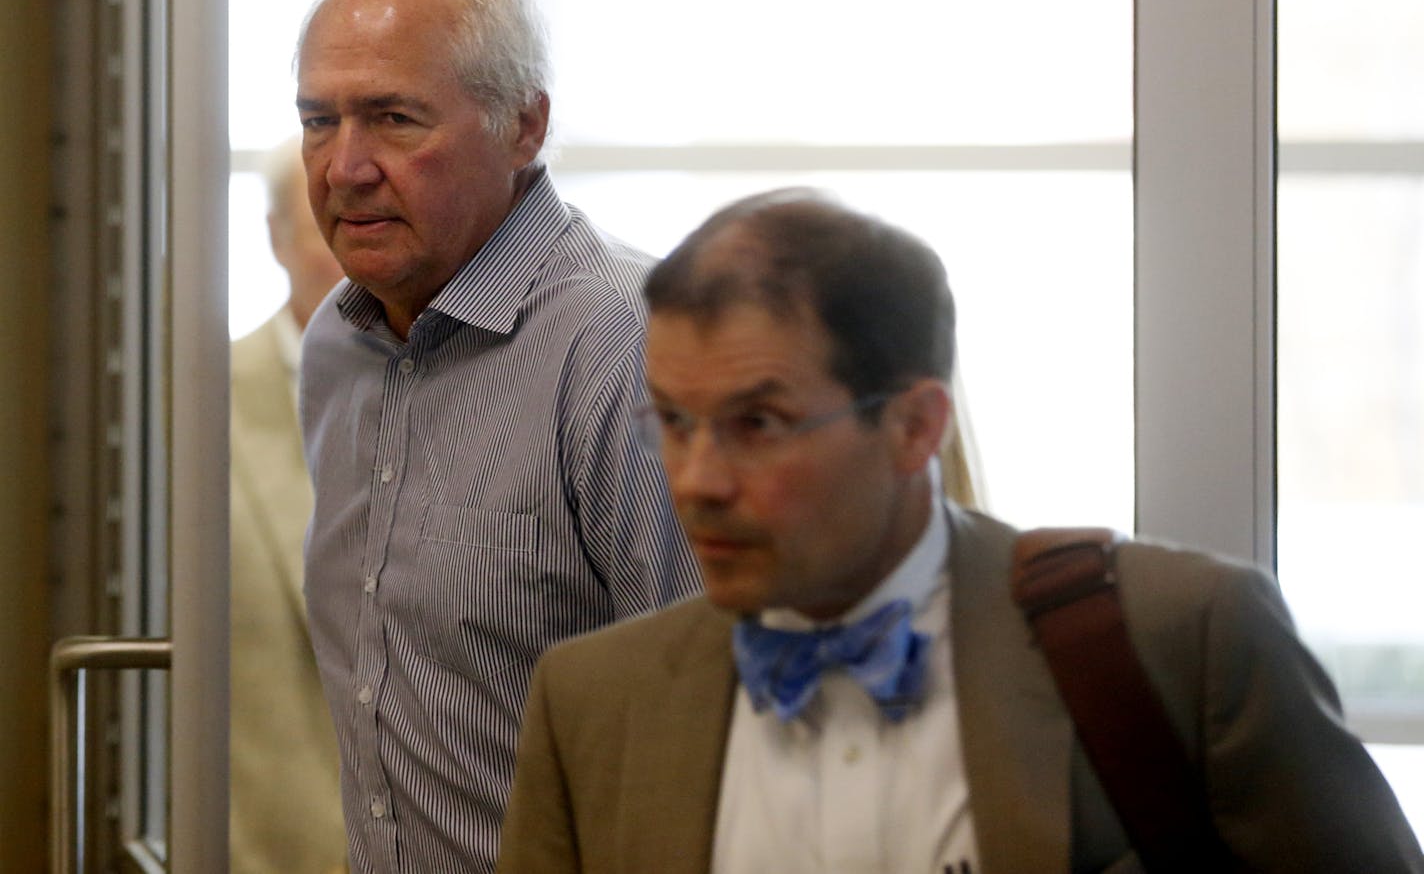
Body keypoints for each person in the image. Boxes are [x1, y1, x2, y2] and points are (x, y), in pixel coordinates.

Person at [497, 189, 1424, 873]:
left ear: (915, 426)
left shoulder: (1178, 638)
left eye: (759, 424)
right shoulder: (591, 703)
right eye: (673, 420)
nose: (696, 481)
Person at [295, 0, 701, 873]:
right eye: (319, 121)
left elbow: (708, 721)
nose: (345, 167)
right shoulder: (338, 342)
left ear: (525, 125)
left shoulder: (624, 344)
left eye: (394, 120)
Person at [229, 137, 346, 874]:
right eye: (326, 227)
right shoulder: (188, 403)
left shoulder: (476, 398)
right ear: (274, 237)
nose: (354, 252)